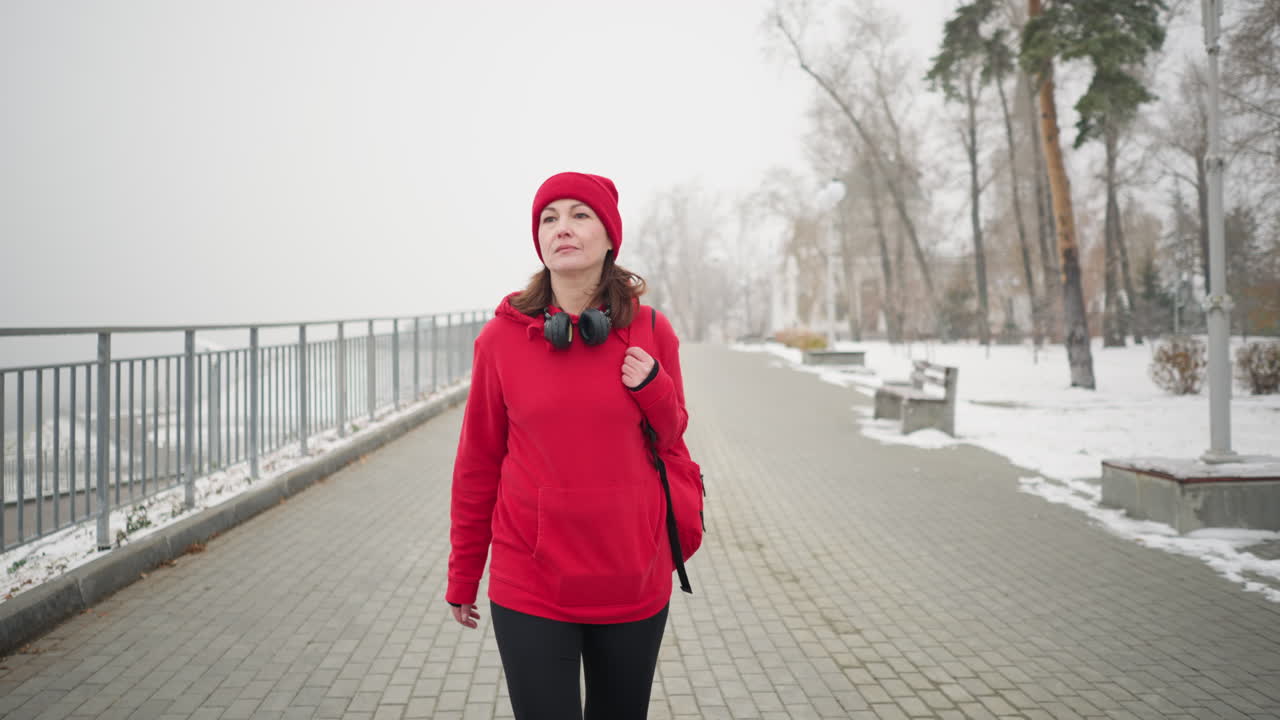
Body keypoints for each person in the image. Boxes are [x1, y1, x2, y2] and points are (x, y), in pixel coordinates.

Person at [446, 171, 691, 719]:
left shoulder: (654, 331)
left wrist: (654, 389)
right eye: (550, 218)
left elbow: (673, 437)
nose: (563, 228)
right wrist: (464, 572)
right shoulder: (500, 340)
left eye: (581, 215)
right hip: (530, 584)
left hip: (632, 579)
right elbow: (478, 463)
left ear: (610, 237)